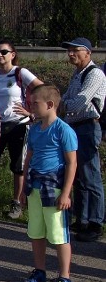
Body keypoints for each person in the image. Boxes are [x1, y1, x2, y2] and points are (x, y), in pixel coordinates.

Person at [0, 40, 44, 219]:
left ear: (13, 54)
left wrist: (32, 112)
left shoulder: (20, 73)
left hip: (18, 124)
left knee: (18, 166)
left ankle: (17, 203)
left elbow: (43, 89)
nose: (0, 55)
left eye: (4, 52)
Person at [21, 85, 78, 282]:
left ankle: (64, 276)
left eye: (35, 103)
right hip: (35, 187)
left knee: (58, 235)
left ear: (50, 105)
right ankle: (40, 271)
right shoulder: (35, 129)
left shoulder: (64, 130)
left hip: (53, 188)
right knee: (36, 231)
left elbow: (72, 163)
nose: (31, 106)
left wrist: (65, 193)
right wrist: (22, 188)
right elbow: (29, 158)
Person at [60, 37, 106, 243]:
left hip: (87, 127)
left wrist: (60, 106)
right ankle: (82, 218)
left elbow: (80, 100)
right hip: (74, 126)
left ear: (88, 53)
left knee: (90, 175)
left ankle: (96, 222)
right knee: (77, 174)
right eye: (69, 51)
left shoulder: (94, 73)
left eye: (75, 50)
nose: (71, 54)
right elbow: (67, 97)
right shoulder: (77, 74)